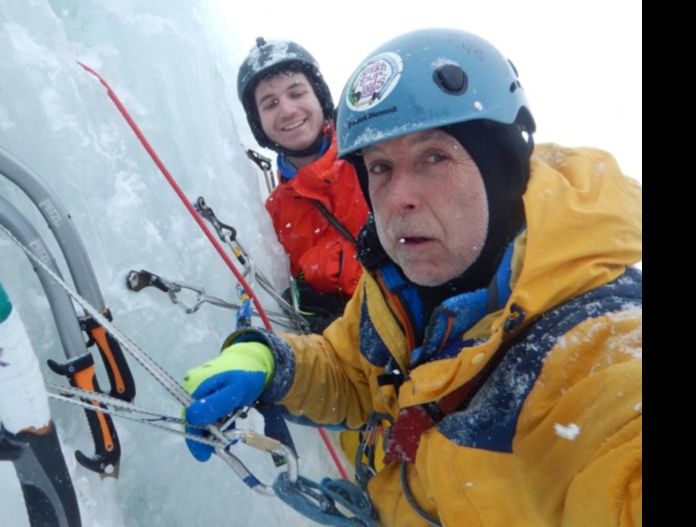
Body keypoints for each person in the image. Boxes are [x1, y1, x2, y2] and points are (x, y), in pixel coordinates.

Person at [183, 28, 642, 526]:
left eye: (434, 157)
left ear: (501, 163)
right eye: (380, 167)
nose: (400, 197)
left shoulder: (599, 354)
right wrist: (273, 362)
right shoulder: (395, 292)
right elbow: (352, 369)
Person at [237, 37, 370, 332]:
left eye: (296, 93)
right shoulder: (275, 212)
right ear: (258, 122)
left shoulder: (373, 159)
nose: (286, 110)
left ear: (319, 98)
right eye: (270, 104)